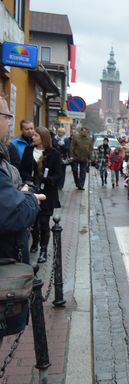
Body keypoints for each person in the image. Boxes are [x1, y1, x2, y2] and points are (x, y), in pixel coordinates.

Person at [0, 96, 44, 264]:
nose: (9, 123)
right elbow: (12, 212)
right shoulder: (17, 147)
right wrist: (29, 198)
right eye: (7, 117)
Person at [19, 127, 63, 263]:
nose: (33, 137)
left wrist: (47, 180)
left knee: (44, 222)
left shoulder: (54, 153)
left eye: (36, 135)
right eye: (33, 135)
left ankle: (43, 249)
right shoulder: (28, 150)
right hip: (32, 190)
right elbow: (23, 169)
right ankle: (35, 241)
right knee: (34, 220)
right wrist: (29, 179)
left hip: (48, 192)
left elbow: (58, 174)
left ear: (43, 138)